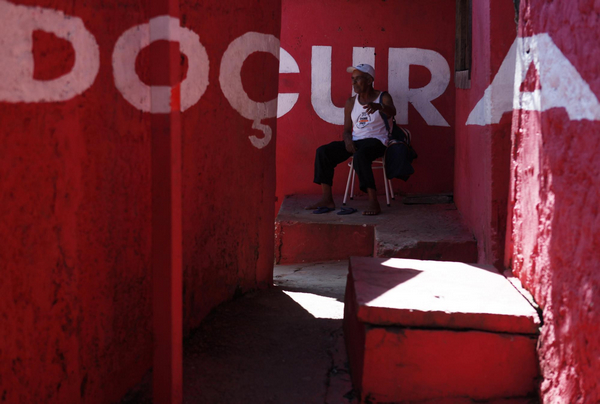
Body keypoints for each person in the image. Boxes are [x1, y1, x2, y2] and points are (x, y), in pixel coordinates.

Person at [306, 64, 396, 216]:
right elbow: (347, 130)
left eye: (358, 79)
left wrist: (379, 107)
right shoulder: (351, 102)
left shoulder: (383, 97)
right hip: (356, 140)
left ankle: (373, 201)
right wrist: (347, 140)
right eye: (352, 79)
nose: (353, 83)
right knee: (323, 152)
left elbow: (392, 111)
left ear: (369, 80)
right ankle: (327, 199)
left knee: (361, 155)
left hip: (378, 141)